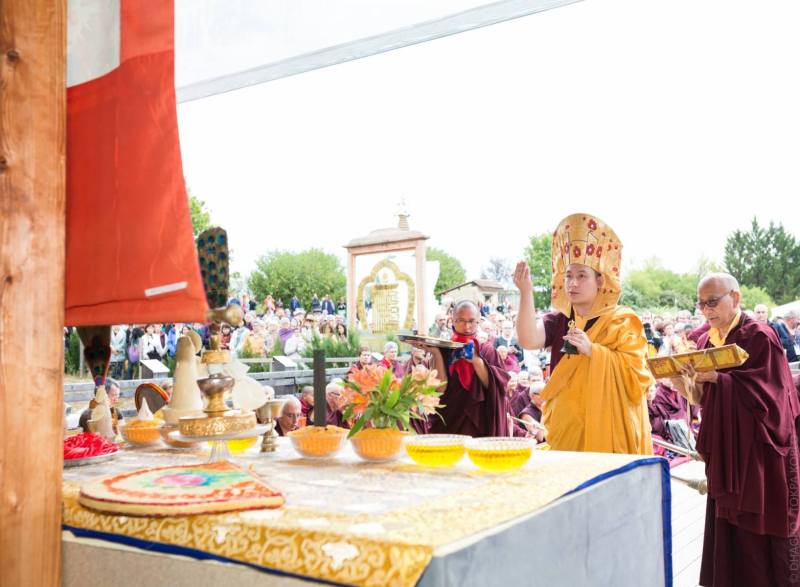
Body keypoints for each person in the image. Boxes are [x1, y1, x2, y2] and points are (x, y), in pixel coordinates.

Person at [670, 273, 800, 587]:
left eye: (713, 301)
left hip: (761, 452)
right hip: (728, 452)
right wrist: (683, 382)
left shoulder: (758, 335)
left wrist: (717, 378)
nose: (706, 310)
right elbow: (706, 402)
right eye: (701, 304)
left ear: (736, 298)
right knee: (730, 530)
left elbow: (772, 399)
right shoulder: (704, 341)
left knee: (760, 529)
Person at [513, 212, 653, 454]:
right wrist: (526, 292)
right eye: (568, 276)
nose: (573, 283)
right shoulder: (561, 320)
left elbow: (637, 378)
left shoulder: (621, 321)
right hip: (566, 429)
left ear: (600, 280)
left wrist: (594, 352)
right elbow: (528, 339)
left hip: (608, 430)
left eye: (581, 276)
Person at [417, 300, 510, 437]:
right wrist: (436, 353)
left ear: (478, 322)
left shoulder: (487, 351)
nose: (467, 326)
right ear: (452, 321)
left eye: (471, 321)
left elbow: (496, 387)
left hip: (480, 420)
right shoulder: (443, 349)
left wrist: (476, 361)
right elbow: (439, 389)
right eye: (461, 320)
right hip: (448, 421)